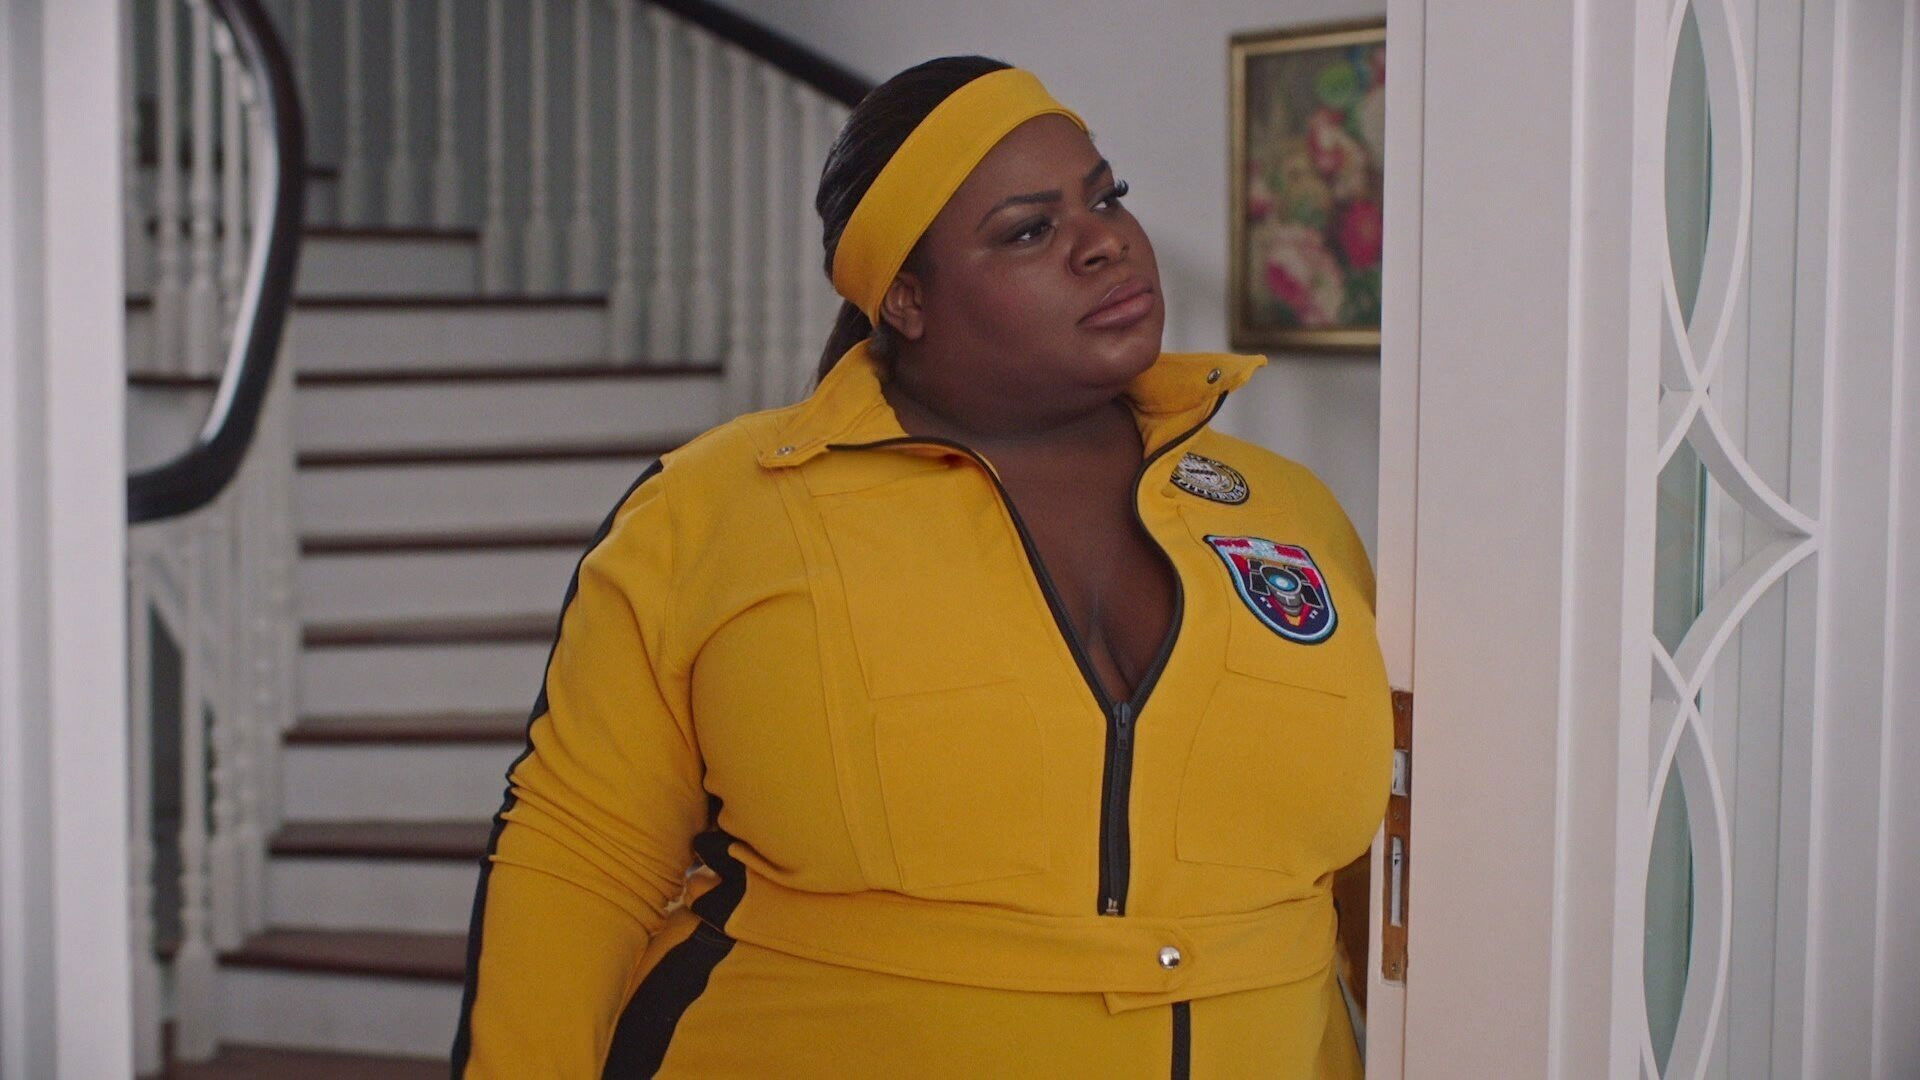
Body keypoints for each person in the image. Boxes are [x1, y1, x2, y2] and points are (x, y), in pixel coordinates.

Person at [451, 56, 1393, 1078]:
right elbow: (581, 858)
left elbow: (1377, 884)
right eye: (1029, 231)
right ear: (905, 298)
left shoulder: (1288, 512)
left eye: (1106, 196)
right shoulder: (717, 512)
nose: (1104, 242)